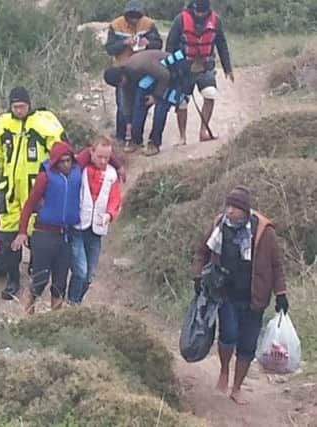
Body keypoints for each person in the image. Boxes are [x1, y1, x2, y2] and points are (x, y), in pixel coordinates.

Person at [192, 185, 289, 405]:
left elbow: (276, 265)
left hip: (255, 298)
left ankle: (237, 387)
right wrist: (198, 276)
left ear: (245, 210)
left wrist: (281, 293)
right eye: (228, 206)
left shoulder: (264, 232)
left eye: (235, 208)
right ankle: (224, 370)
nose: (230, 212)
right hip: (226, 294)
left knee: (247, 344)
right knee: (228, 334)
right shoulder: (219, 226)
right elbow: (201, 252)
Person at [0, 86, 66, 300]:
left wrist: (56, 184)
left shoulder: (43, 124)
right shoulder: (2, 126)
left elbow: (61, 153)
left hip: (37, 193)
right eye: (15, 107)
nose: (19, 110)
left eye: (22, 106)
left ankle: (36, 272)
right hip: (10, 192)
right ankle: (13, 280)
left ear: (29, 104)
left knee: (37, 236)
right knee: (9, 237)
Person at [11, 142, 81, 314]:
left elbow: (96, 150)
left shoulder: (76, 171)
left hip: (65, 236)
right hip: (44, 235)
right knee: (39, 280)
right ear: (55, 162)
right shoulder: (45, 177)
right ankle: (28, 315)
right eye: (62, 161)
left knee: (60, 283)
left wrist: (119, 167)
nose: (66, 165)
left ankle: (54, 323)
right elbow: (29, 204)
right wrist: (22, 232)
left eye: (68, 160)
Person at [166, 0, 233, 144]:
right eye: (198, 12)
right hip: (184, 68)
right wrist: (171, 69)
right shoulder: (180, 20)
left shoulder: (215, 20)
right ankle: (182, 137)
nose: (201, 15)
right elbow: (170, 45)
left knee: (210, 93)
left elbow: (221, 43)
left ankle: (203, 131)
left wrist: (228, 68)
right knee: (182, 102)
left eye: (204, 12)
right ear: (193, 8)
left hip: (205, 65)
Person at [104, 49, 190, 156]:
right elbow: (127, 101)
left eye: (121, 82)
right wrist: (129, 123)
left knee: (160, 109)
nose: (122, 85)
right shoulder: (124, 80)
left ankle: (154, 143)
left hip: (171, 73)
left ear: (122, 76)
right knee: (139, 105)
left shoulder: (138, 65)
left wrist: (156, 96)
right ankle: (136, 140)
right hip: (152, 78)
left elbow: (165, 75)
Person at [67, 136, 122, 304]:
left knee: (90, 275)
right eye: (100, 157)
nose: (104, 161)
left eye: (107, 157)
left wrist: (110, 214)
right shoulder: (80, 169)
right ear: (91, 152)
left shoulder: (112, 174)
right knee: (81, 271)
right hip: (78, 227)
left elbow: (115, 198)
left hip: (96, 229)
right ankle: (72, 303)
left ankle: (77, 300)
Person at [105, 0, 163, 144]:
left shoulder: (148, 24)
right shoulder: (115, 25)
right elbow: (109, 48)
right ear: (125, 16)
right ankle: (121, 135)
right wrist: (124, 43)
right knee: (122, 103)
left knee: (140, 104)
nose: (134, 20)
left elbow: (158, 44)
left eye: (137, 17)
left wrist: (147, 43)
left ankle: (136, 137)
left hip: (143, 70)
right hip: (121, 70)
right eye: (131, 17)